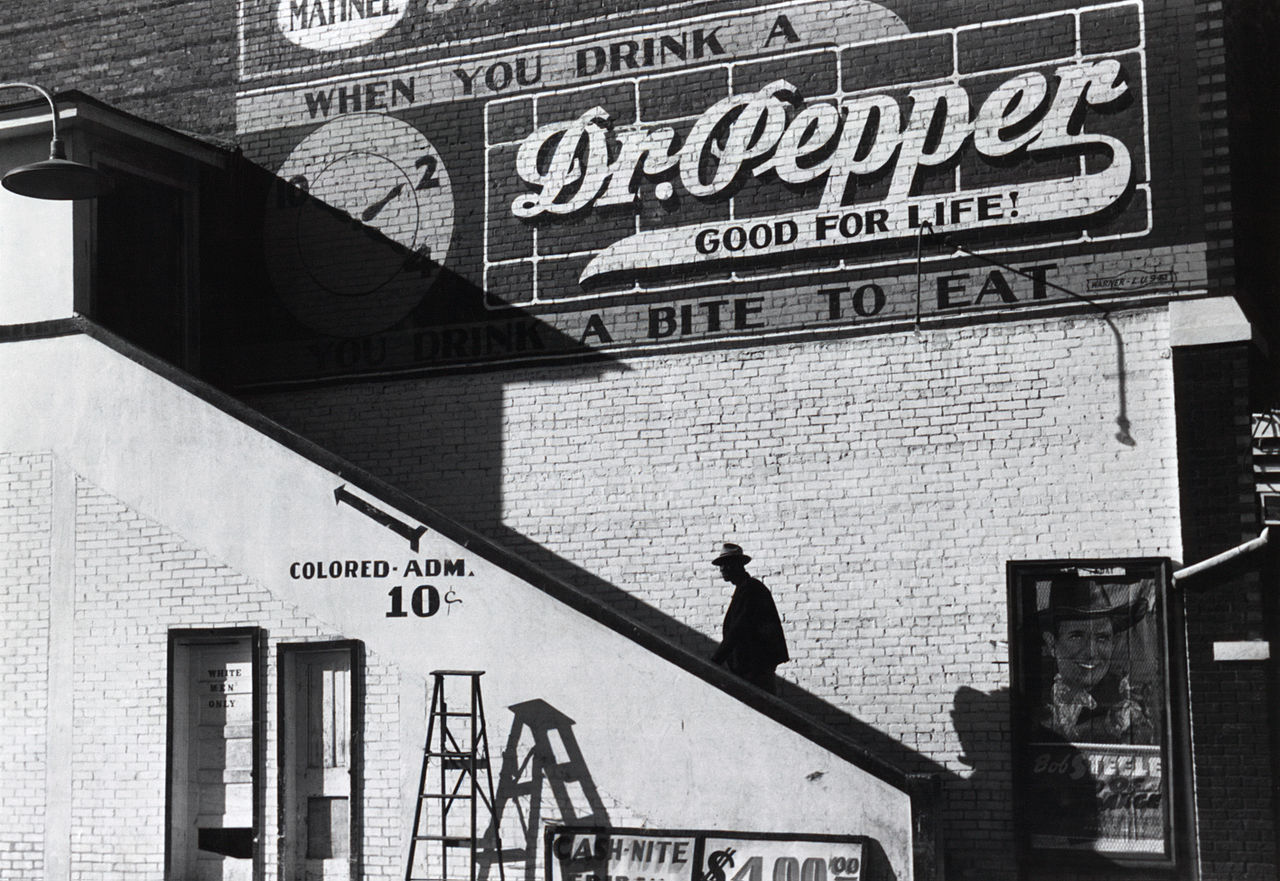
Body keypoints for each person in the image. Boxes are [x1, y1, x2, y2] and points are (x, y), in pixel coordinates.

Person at [1037, 576, 1156, 745]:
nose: (1092, 652)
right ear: (1051, 644)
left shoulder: (1123, 702)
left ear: (1113, 643)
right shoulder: (1034, 693)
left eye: (1102, 638)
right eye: (1077, 636)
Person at [710, 543, 789, 694]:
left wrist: (716, 660)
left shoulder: (750, 590)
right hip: (752, 666)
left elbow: (737, 628)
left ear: (739, 565)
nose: (722, 569)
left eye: (727, 564)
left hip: (754, 667)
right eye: (721, 565)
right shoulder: (746, 588)